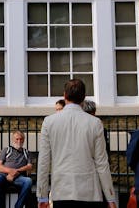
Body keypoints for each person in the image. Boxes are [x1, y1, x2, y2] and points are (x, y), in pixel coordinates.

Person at [37, 79, 117, 208]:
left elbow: (43, 162)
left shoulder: (49, 122)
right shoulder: (95, 123)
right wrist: (110, 197)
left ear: (64, 95)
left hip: (61, 191)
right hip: (89, 192)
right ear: (84, 97)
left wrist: (42, 195)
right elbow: (102, 163)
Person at [0, 130, 33, 208]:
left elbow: (29, 166)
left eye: (21, 139)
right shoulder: (6, 150)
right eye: (17, 139)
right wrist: (10, 172)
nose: (19, 141)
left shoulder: (27, 152)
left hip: (18, 177)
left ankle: (18, 206)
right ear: (13, 140)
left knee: (28, 181)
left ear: (24, 140)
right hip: (3, 176)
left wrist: (16, 172)